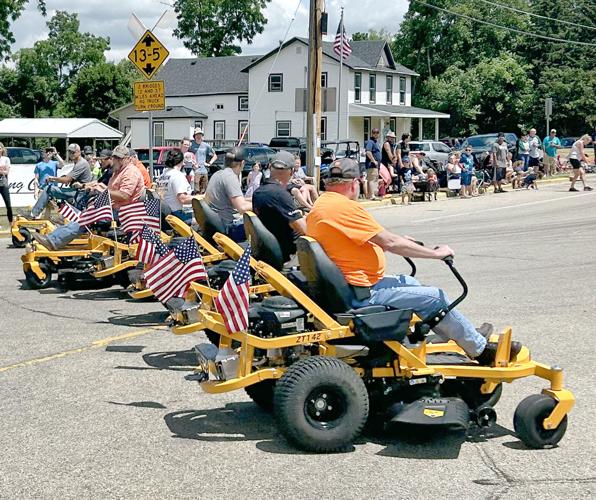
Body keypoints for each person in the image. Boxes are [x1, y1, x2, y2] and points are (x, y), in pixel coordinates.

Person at [305, 157, 521, 365]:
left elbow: (356, 239)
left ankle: (454, 333)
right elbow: (389, 242)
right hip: (363, 294)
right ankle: (481, 350)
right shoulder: (344, 207)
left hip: (352, 285)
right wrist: (435, 254)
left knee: (413, 285)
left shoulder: (323, 204)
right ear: (354, 183)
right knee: (436, 297)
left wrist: (397, 241)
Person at [32, 145, 145, 250]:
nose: (116, 159)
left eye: (119, 158)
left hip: (123, 212)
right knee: (82, 215)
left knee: (84, 219)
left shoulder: (130, 172)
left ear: (127, 158)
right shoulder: (119, 171)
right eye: (115, 157)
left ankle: (53, 241)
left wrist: (104, 191)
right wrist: (100, 190)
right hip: (113, 208)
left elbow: (124, 195)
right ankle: (53, 237)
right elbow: (112, 191)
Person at [252, 151, 307, 263]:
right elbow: (304, 230)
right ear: (291, 172)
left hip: (266, 249)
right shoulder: (281, 195)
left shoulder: (258, 192)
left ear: (269, 167)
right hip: (287, 254)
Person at [25, 143, 93, 219]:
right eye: (69, 152)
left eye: (73, 152)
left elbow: (66, 179)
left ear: (79, 152)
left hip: (79, 194)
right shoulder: (78, 162)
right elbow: (69, 178)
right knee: (49, 194)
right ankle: (43, 217)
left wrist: (53, 178)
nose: (71, 154)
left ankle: (33, 214)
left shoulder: (81, 163)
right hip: (77, 192)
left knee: (48, 189)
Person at [204, 147, 252, 242]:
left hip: (214, 223)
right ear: (242, 163)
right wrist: (263, 204)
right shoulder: (230, 177)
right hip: (228, 227)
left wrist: (254, 199)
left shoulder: (218, 174)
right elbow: (241, 207)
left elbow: (233, 199)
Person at [156, 150, 194, 224]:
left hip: (165, 216)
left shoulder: (162, 176)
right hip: (178, 216)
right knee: (203, 222)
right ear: (181, 162)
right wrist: (202, 198)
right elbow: (183, 199)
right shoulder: (177, 176)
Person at [190, 128, 216, 195]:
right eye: (197, 135)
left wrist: (209, 163)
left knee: (204, 192)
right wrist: (192, 164)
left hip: (204, 171)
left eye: (200, 134)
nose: (199, 136)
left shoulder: (206, 145)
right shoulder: (191, 145)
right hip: (195, 171)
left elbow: (215, 156)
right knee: (196, 192)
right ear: (194, 136)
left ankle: (203, 205)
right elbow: (185, 155)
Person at [364, 128, 382, 200]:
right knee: (372, 179)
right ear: (372, 133)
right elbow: (368, 152)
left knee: (372, 179)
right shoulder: (370, 142)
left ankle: (369, 195)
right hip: (372, 164)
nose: (376, 134)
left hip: (376, 165)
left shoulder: (376, 142)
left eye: (377, 132)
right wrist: (374, 161)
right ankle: (372, 195)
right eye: (374, 132)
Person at [0, 142, 13, 226]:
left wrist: (2, 172)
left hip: (3, 184)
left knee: (8, 204)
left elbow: (7, 172)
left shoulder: (6, 159)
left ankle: (11, 224)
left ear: (2, 149)